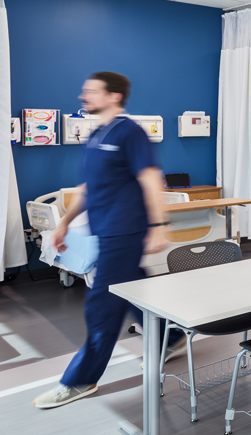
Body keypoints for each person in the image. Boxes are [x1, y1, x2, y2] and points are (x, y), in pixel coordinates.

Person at [33, 72, 173, 409]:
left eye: (91, 92)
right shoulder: (96, 136)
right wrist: (64, 222)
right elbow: (87, 189)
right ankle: (173, 337)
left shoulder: (130, 132)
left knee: (102, 305)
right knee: (131, 290)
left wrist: (158, 224)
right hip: (106, 229)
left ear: (113, 96)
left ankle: (80, 380)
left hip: (126, 229)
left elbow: (151, 179)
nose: (83, 97)